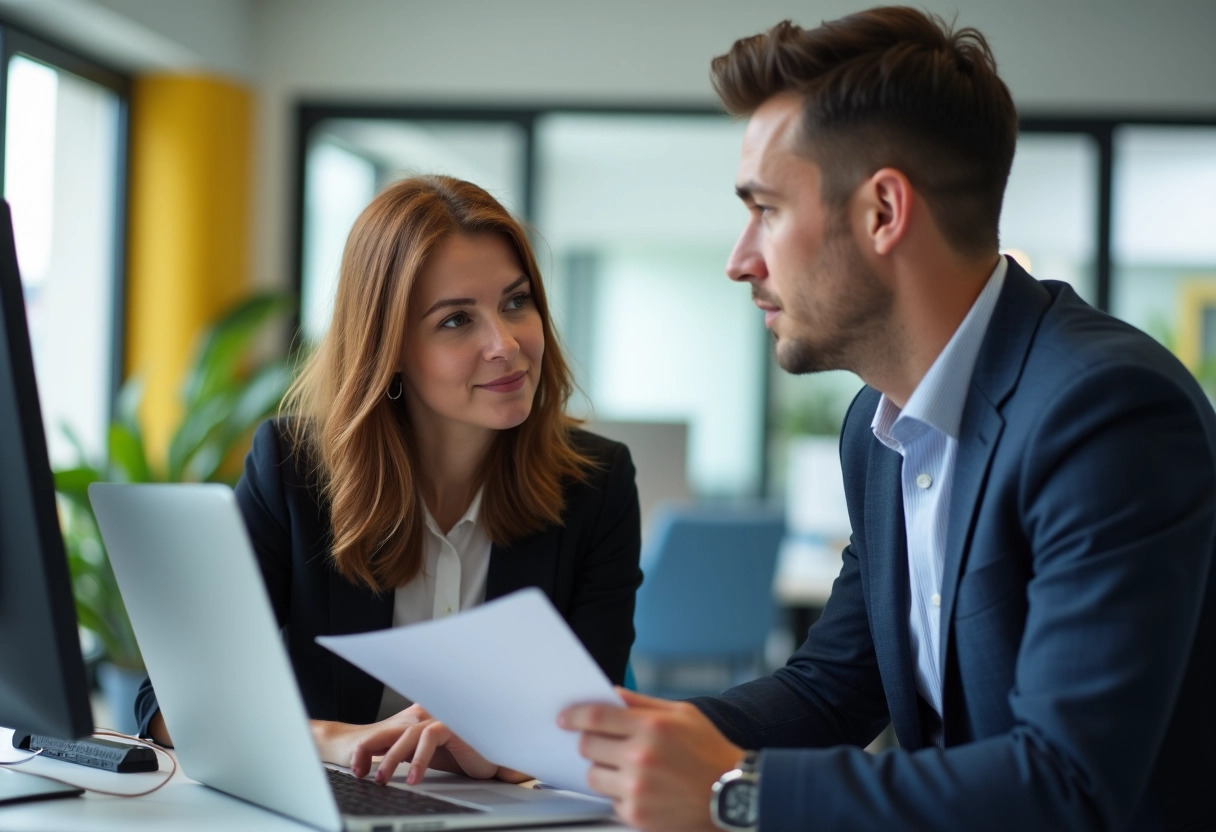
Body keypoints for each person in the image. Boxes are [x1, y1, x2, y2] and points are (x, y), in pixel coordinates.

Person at [560, 7, 1216, 831]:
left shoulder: (1103, 410)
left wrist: (737, 795)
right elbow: (832, 688)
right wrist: (583, 744)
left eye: (765, 209)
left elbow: (1067, 785)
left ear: (882, 212)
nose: (740, 260)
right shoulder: (877, 427)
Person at [135, 175, 643, 784]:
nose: (505, 345)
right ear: (390, 346)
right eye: (457, 320)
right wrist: (339, 741)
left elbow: (596, 732)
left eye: (516, 302)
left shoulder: (597, 484)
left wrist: (500, 753)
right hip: (331, 807)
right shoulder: (293, 472)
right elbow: (169, 704)